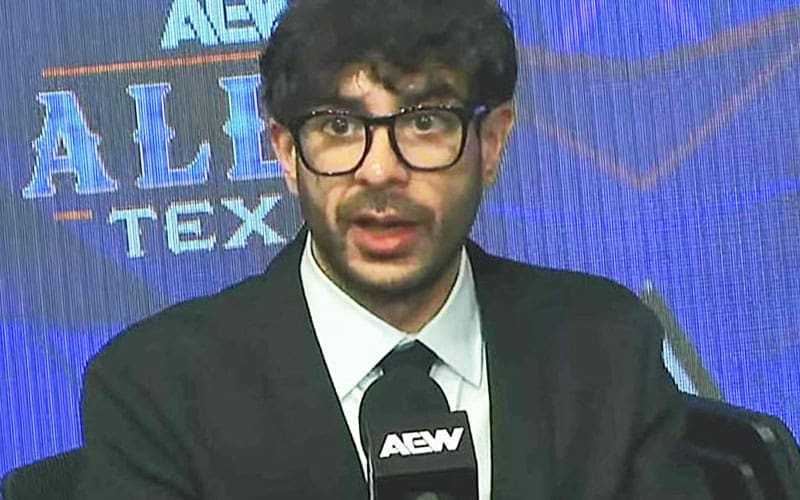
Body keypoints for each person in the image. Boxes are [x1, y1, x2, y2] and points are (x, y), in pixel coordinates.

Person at [75, 0, 712, 498]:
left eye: (424, 122)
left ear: (491, 143)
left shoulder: (606, 349)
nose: (379, 171)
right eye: (338, 126)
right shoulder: (158, 390)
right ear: (288, 153)